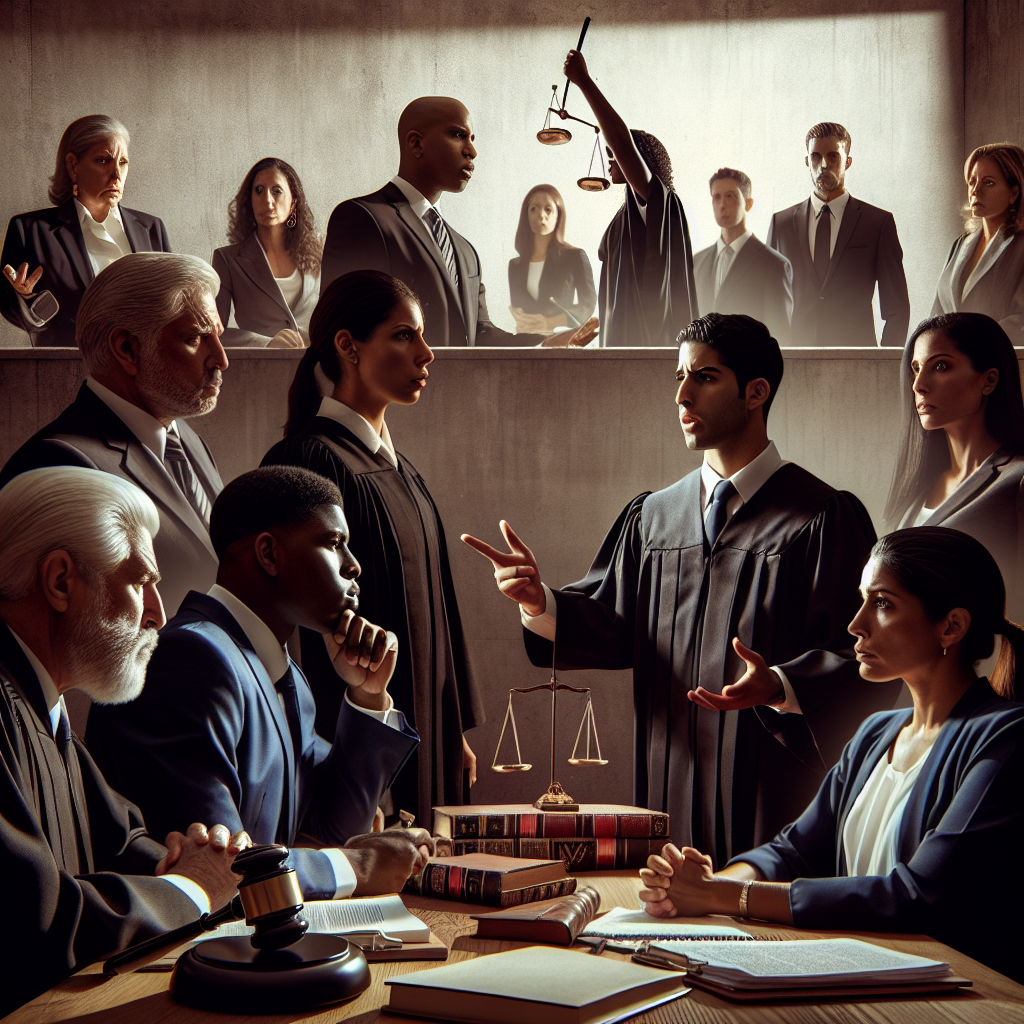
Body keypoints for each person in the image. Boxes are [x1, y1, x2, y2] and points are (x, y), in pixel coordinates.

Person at [463, 314, 899, 868]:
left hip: (772, 791)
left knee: (762, 934)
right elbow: (614, 626)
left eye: (705, 377)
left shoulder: (820, 516)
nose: (683, 395)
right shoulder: (654, 517)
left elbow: (863, 653)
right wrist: (538, 602)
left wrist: (781, 685)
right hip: (669, 779)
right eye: (678, 377)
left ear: (756, 392)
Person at [639, 527, 1024, 982]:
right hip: (854, 978)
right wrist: (716, 880)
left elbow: (916, 896)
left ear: (951, 626)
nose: (855, 624)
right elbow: (792, 851)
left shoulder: (1006, 736)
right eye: (863, 600)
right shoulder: (876, 734)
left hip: (958, 998)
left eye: (882, 603)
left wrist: (724, 896)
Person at [88, 466, 432, 900]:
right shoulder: (188, 660)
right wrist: (355, 866)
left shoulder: (286, 679)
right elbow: (222, 867)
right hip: (162, 959)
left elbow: (333, 828)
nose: (353, 564)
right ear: (269, 554)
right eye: (333, 542)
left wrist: (366, 695)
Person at [0, 467, 248, 1015]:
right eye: (140, 582)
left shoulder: (41, 698)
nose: (159, 613)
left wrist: (195, 861)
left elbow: (121, 842)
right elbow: (37, 921)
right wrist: (194, 889)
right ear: (60, 581)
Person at [262, 271, 484, 827]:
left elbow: (440, 608)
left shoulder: (401, 470)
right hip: (357, 735)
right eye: (404, 336)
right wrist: (354, 757)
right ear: (348, 345)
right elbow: (304, 629)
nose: (426, 354)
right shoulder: (309, 462)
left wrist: (451, 730)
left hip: (427, 730)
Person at [0, 252, 227, 627]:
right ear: (127, 349)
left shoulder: (186, 439)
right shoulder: (60, 465)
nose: (221, 359)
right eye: (196, 338)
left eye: (219, 336)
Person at [320, 96, 596, 349]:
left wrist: (546, 344)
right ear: (416, 143)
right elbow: (341, 331)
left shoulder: (465, 252)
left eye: (472, 138)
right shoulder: (362, 218)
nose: (472, 151)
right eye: (458, 134)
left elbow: (481, 335)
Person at [884, 312, 1024, 620]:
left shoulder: (1017, 481)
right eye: (916, 369)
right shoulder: (920, 488)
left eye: (940, 366)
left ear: (989, 379)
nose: (919, 385)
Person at [562, 49, 698, 347]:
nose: (611, 161)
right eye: (609, 156)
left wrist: (584, 81)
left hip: (648, 345)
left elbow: (622, 145)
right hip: (619, 343)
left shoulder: (658, 203)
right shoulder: (627, 216)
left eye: (615, 157)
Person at [1, 114, 172, 347]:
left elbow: (171, 307)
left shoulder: (152, 229)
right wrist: (26, 297)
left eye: (123, 162)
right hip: (71, 369)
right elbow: (18, 314)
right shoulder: (30, 231)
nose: (117, 175)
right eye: (104, 161)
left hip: (145, 370)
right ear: (73, 166)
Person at [767, 122, 910, 347]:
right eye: (815, 156)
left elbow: (897, 309)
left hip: (857, 361)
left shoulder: (878, 223)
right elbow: (768, 302)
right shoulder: (781, 223)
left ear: (848, 161)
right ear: (807, 161)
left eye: (833, 156)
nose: (823, 165)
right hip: (792, 362)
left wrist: (884, 367)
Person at [213, 157, 320, 348]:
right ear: (250, 201)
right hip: (264, 370)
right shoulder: (227, 260)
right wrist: (267, 344)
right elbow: (215, 333)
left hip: (317, 369)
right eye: (259, 191)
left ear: (293, 202)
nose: (267, 200)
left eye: (276, 191)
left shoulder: (318, 254)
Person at [932, 143, 1024, 343]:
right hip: (950, 363)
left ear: (1014, 193)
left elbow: (1021, 321)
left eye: (988, 182)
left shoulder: (1020, 247)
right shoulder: (959, 245)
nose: (975, 190)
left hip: (999, 363)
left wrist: (969, 343)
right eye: (972, 181)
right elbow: (937, 314)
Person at [692, 168, 793, 344]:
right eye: (716, 197)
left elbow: (780, 337)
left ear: (748, 203)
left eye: (730, 196)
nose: (722, 204)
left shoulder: (773, 264)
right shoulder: (697, 262)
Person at [507, 184, 596, 336]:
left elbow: (587, 305)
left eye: (548, 209)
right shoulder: (515, 265)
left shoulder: (575, 257)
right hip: (525, 344)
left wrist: (550, 322)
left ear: (558, 215)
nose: (541, 215)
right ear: (526, 216)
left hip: (560, 343)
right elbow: (518, 307)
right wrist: (520, 317)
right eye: (533, 209)